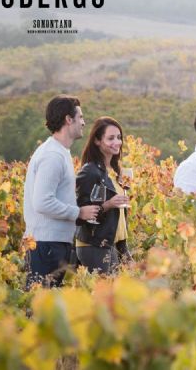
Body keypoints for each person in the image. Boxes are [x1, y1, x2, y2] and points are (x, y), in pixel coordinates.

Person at [23, 95, 99, 288]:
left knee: (46, 307)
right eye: (80, 117)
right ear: (68, 119)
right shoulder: (52, 156)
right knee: (40, 308)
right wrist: (78, 212)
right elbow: (42, 202)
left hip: (52, 244)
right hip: (46, 245)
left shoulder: (59, 152)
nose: (83, 122)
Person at [75, 117, 132, 274]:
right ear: (97, 141)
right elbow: (78, 214)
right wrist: (108, 204)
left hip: (114, 243)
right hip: (94, 244)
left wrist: (124, 249)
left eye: (119, 137)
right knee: (104, 296)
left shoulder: (115, 171)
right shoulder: (90, 171)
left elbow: (117, 216)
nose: (117, 142)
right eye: (111, 138)